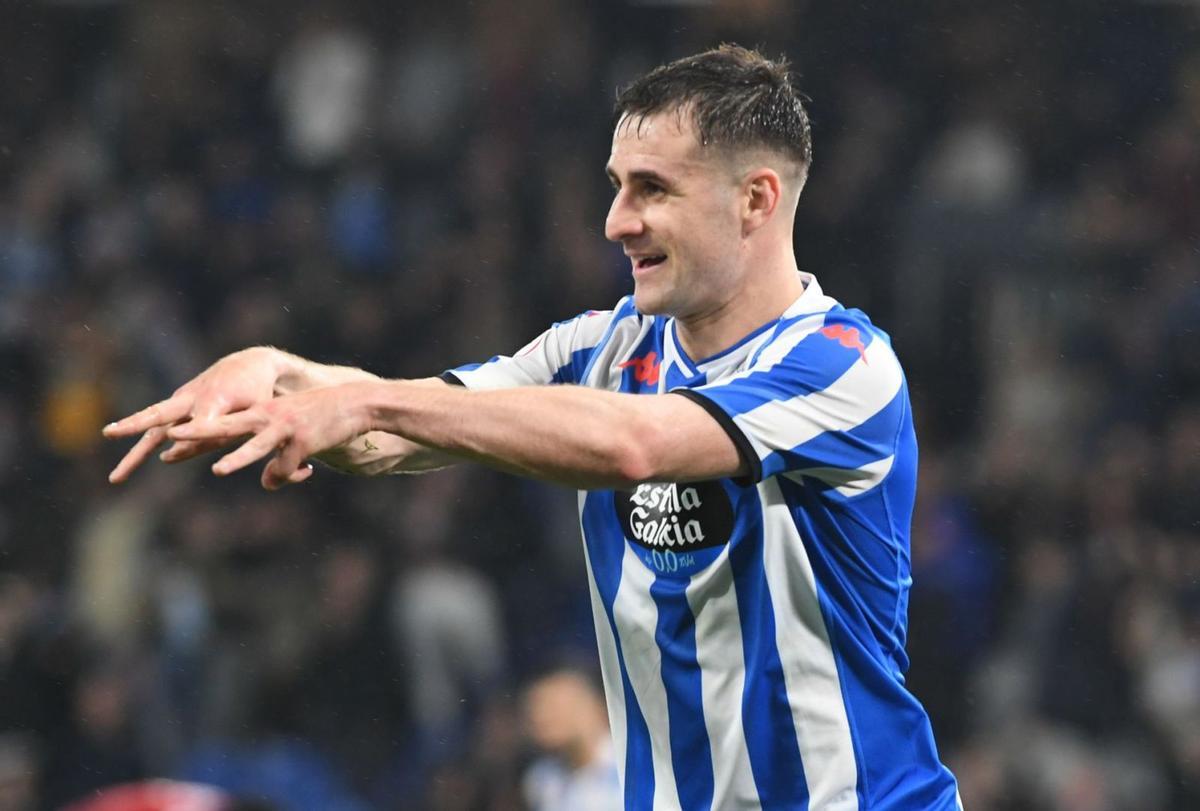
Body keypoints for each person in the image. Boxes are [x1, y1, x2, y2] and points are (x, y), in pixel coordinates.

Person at [105, 45, 962, 810]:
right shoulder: (600, 345)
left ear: (755, 200)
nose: (616, 221)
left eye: (652, 188)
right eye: (617, 185)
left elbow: (638, 444)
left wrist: (362, 399)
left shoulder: (845, 365)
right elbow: (397, 432)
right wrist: (283, 372)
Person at [522, 666, 621, 811]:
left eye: (554, 707)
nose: (541, 717)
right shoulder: (542, 780)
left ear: (594, 706)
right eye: (536, 710)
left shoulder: (633, 769)